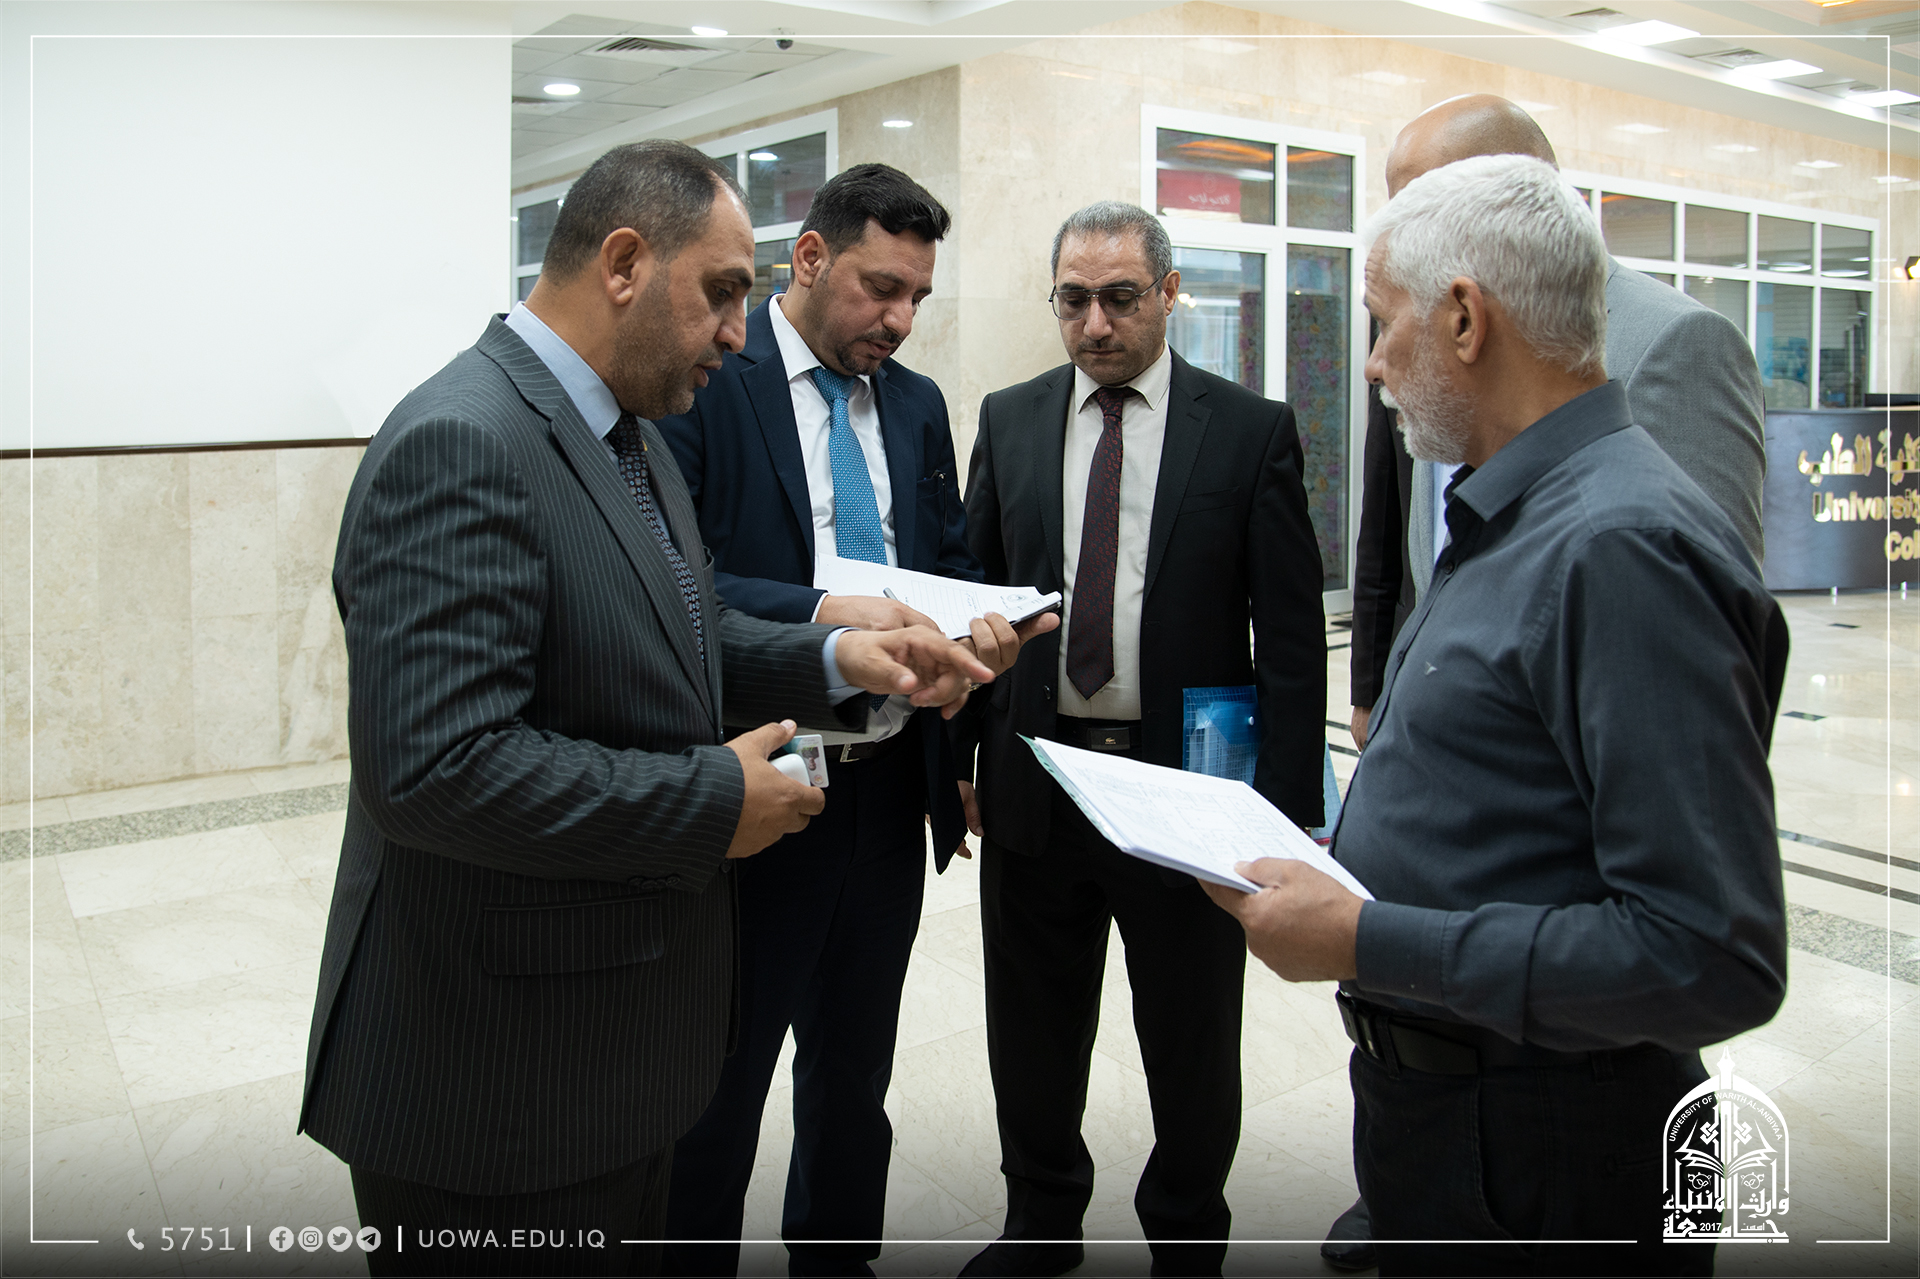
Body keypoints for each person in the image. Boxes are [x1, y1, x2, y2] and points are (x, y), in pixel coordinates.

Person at [296, 140, 991, 1279]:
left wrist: (840, 658)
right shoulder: (464, 440)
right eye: (721, 293)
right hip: (493, 1084)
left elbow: (688, 631)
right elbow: (435, 768)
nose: (737, 333)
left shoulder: (622, 435)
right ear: (623, 262)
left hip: (605, 1043)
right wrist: (714, 800)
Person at [1208, 153, 1788, 1278]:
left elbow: (1709, 952)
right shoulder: (1519, 510)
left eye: (1384, 322)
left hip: (1547, 1154)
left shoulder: (1621, 547)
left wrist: (1365, 936)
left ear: (1466, 319)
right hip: (1455, 1123)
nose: (1372, 362)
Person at [655, 163, 1055, 1277]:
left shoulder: (916, 406)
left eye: (918, 296)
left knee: (854, 1074)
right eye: (881, 288)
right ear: (810, 258)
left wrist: (978, 641)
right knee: (720, 1086)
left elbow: (945, 567)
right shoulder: (709, 382)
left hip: (887, 789)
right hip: (764, 782)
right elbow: (680, 583)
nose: (900, 319)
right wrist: (830, 614)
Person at [957, 201, 1326, 1278]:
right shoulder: (1013, 417)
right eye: (1073, 300)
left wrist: (1286, 818)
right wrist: (965, 764)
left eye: (1120, 298)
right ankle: (1040, 1224)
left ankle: (1187, 1232)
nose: (1095, 324)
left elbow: (1290, 637)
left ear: (1169, 293)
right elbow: (975, 599)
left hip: (1187, 797)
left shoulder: (1248, 429)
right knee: (1031, 1025)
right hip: (1041, 779)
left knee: (1191, 1035)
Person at [1348, 93, 1765, 751]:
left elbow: (1695, 648)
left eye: (1428, 204)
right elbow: (1398, 536)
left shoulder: (1677, 342)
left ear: (1524, 190)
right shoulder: (1426, 334)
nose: (1405, 232)